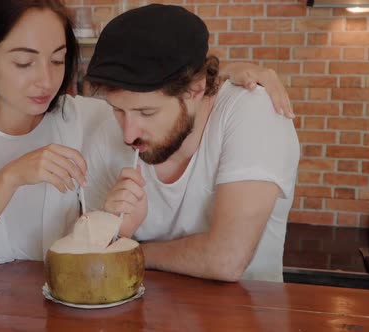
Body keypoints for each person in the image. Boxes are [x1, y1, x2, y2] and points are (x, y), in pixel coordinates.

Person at [0, 0, 293, 276]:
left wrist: (232, 77)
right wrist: (11, 176)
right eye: (24, 62)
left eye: (58, 60)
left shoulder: (77, 115)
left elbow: (160, 95)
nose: (45, 80)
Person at [83, 4, 300, 283]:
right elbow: (85, 254)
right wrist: (114, 228)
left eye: (147, 113)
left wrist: (128, 251)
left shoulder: (252, 112)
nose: (128, 134)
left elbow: (226, 259)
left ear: (195, 89)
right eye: (118, 110)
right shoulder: (108, 134)